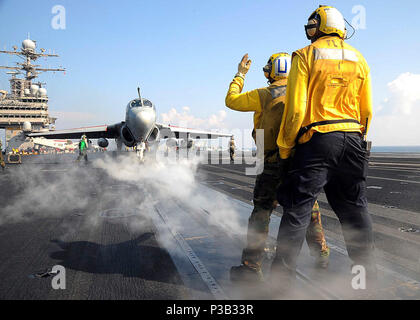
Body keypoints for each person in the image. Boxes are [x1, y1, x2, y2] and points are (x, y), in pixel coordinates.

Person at [273, 5, 375, 291]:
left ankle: (279, 288)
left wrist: (285, 149)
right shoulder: (359, 58)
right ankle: (365, 283)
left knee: (296, 211)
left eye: (311, 25)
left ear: (318, 26)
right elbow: (366, 110)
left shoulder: (305, 55)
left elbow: (296, 109)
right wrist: (357, 138)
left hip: (317, 141)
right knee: (355, 211)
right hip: (354, 137)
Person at [225, 53, 330, 282]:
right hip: (299, 164)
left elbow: (231, 100)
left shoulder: (264, 94)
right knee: (308, 209)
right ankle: (321, 256)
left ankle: (251, 267)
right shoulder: (304, 92)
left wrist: (240, 74)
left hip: (271, 164)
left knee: (261, 213)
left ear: (271, 71)